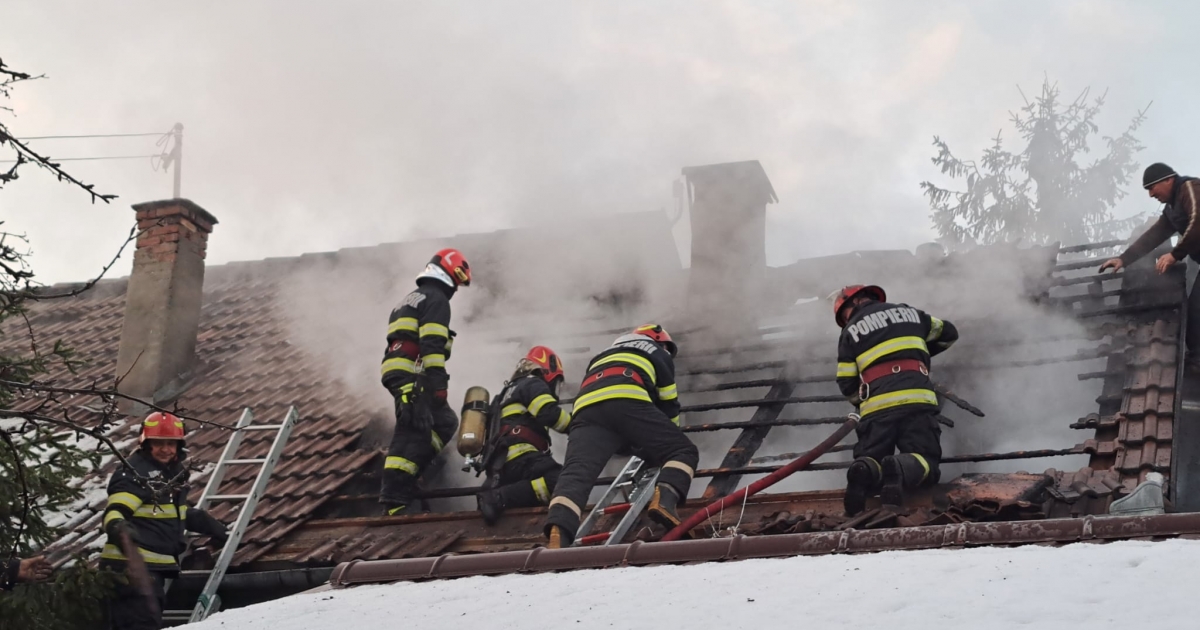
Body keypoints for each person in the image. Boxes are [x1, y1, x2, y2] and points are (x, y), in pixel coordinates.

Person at [543, 324, 697, 548]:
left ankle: (560, 531)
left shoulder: (602, 355)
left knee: (575, 475)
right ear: (660, 341)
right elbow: (668, 403)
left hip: (585, 411)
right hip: (627, 398)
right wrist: (664, 441)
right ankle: (665, 500)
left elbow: (611, 420)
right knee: (682, 451)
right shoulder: (657, 351)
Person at [832, 285, 958, 515]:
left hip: (876, 407)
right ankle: (900, 466)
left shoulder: (849, 332)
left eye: (844, 314)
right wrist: (917, 355)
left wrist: (862, 403)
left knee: (871, 458)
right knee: (925, 460)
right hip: (917, 399)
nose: (846, 319)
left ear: (856, 302)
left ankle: (864, 470)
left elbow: (846, 383)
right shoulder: (911, 314)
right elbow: (949, 333)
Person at [100, 412, 228, 630]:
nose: (166, 449)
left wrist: (210, 526)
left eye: (172, 444)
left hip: (148, 571)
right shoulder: (135, 473)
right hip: (130, 570)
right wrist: (120, 529)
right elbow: (115, 511)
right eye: (159, 443)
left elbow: (172, 513)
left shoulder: (169, 474)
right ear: (146, 443)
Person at [379, 248, 472, 515]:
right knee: (412, 429)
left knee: (444, 421)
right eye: (457, 280)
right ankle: (395, 498)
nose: (456, 287)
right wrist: (439, 384)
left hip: (400, 370)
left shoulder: (410, 298)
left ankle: (411, 474)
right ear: (449, 274)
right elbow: (431, 344)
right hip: (413, 375)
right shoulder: (437, 300)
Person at [1100, 163, 1200, 363]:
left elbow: (1198, 222)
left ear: (1168, 180)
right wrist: (1124, 259)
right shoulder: (1171, 210)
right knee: (1195, 313)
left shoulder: (1190, 188)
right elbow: (1154, 236)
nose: (1150, 194)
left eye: (1152, 187)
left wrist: (1175, 255)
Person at [475, 346, 570, 524]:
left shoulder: (504, 393)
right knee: (561, 481)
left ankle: (498, 496)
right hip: (521, 456)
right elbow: (548, 413)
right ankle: (497, 498)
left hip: (500, 465)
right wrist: (578, 425)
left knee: (544, 484)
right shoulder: (532, 383)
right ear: (547, 370)